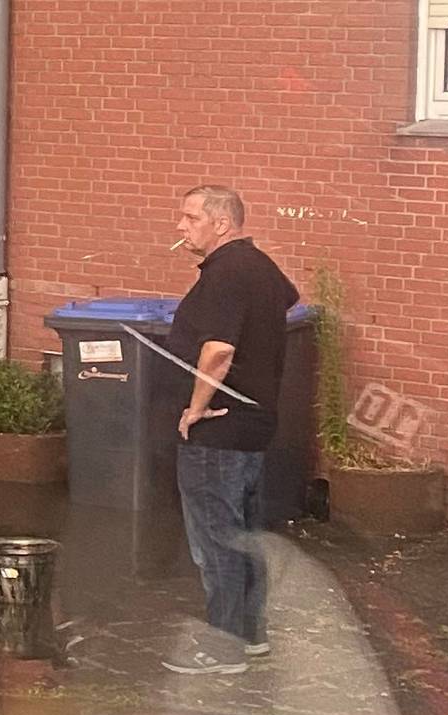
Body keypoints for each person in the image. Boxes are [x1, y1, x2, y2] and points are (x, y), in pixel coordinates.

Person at [160, 185, 298, 677]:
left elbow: (218, 350)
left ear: (221, 223)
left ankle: (224, 648)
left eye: (190, 217)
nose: (181, 226)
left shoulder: (226, 273)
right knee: (243, 538)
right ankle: (251, 637)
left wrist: (195, 409)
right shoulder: (259, 267)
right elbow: (288, 299)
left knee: (215, 543)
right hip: (254, 426)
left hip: (219, 430)